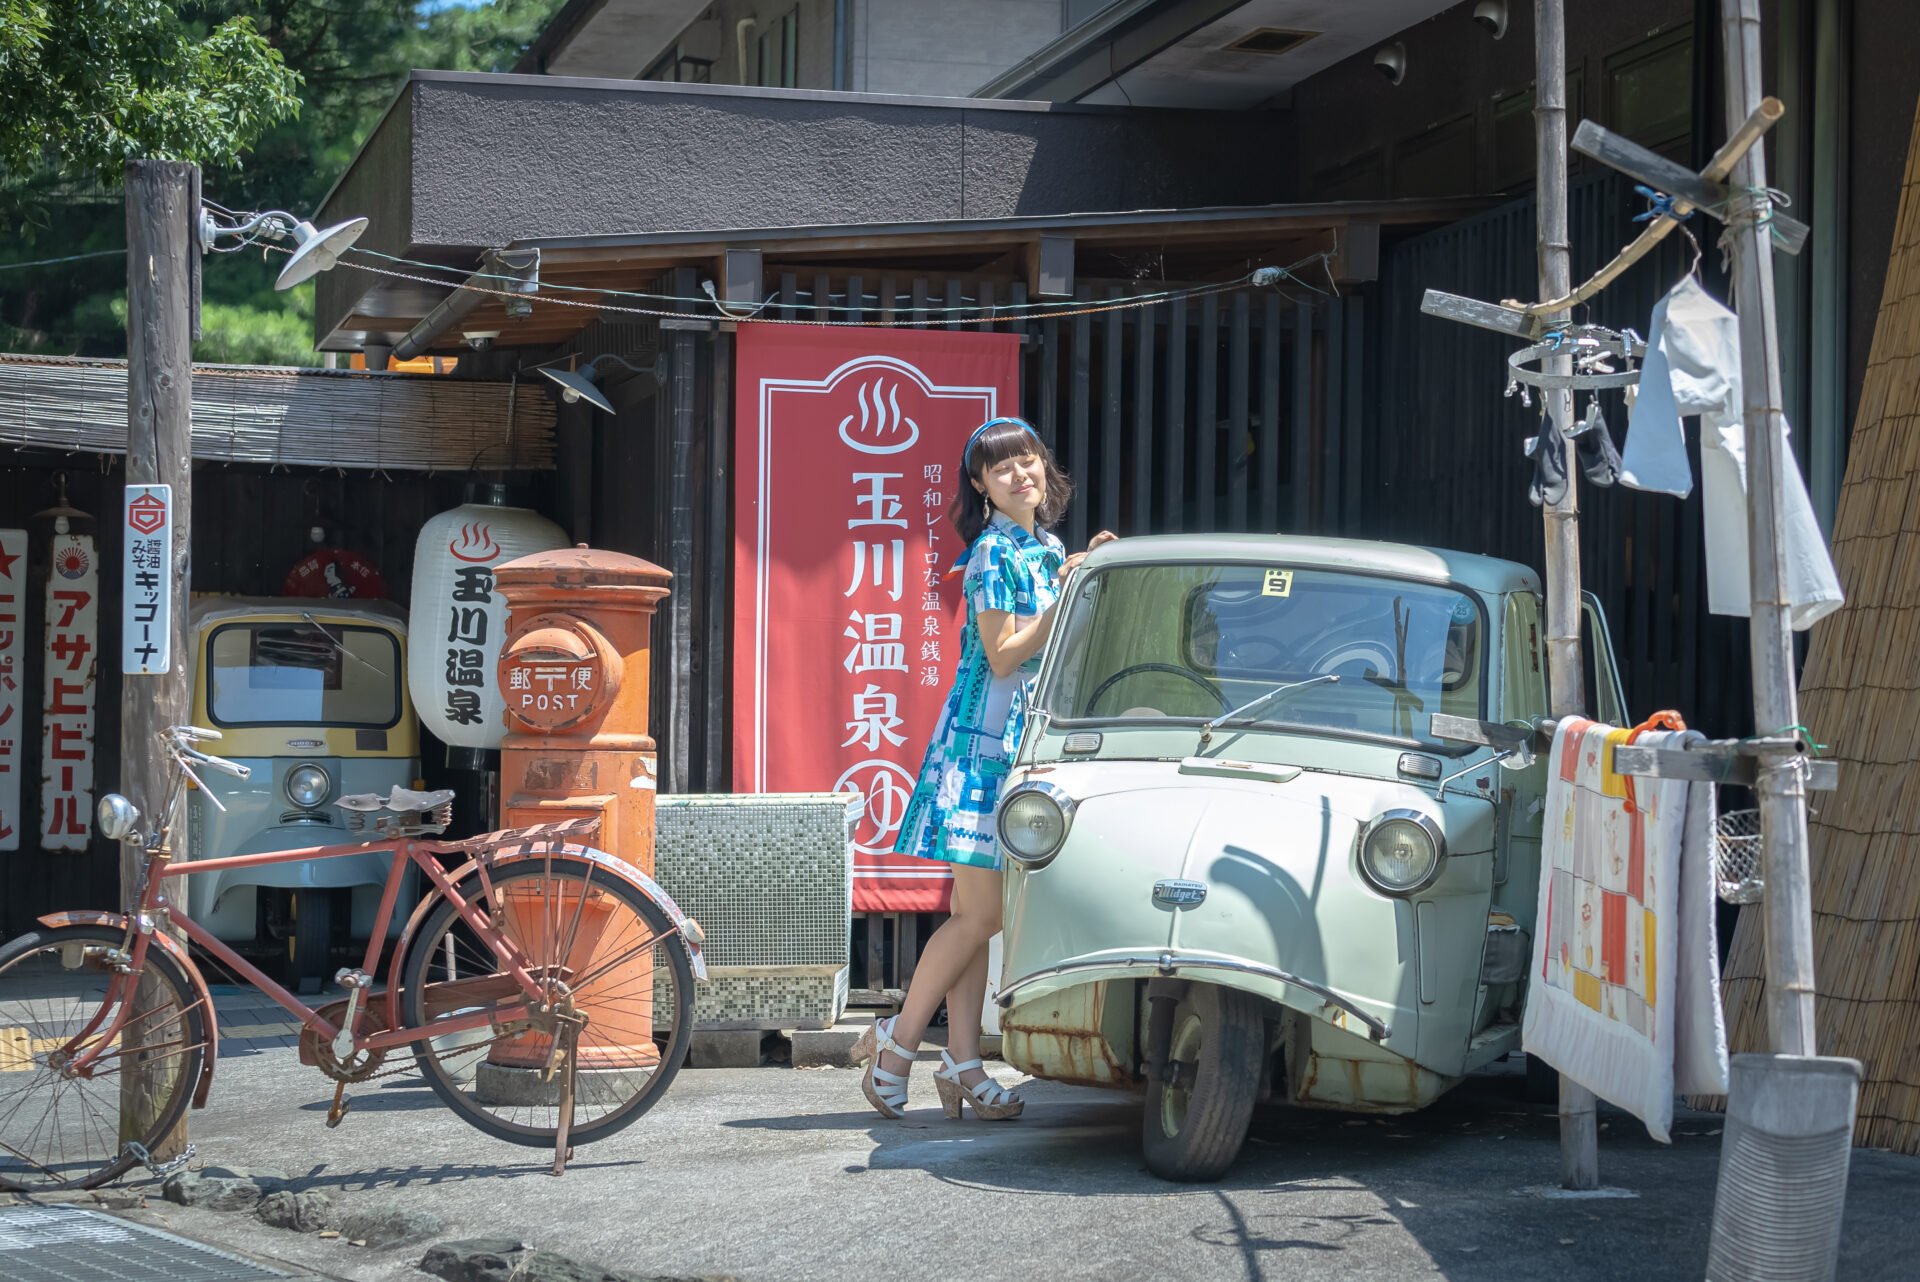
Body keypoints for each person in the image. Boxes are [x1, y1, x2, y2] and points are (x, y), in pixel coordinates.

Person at [853, 416, 1115, 1120]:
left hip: (1022, 750)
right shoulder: (994, 552)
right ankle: (898, 1042)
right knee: (984, 915)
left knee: (976, 916)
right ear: (981, 486)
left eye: (1028, 461)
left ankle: (964, 1065)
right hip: (979, 750)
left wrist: (1082, 572)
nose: (1020, 474)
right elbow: (1004, 655)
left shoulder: (1046, 547)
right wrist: (1068, 596)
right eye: (1002, 468)